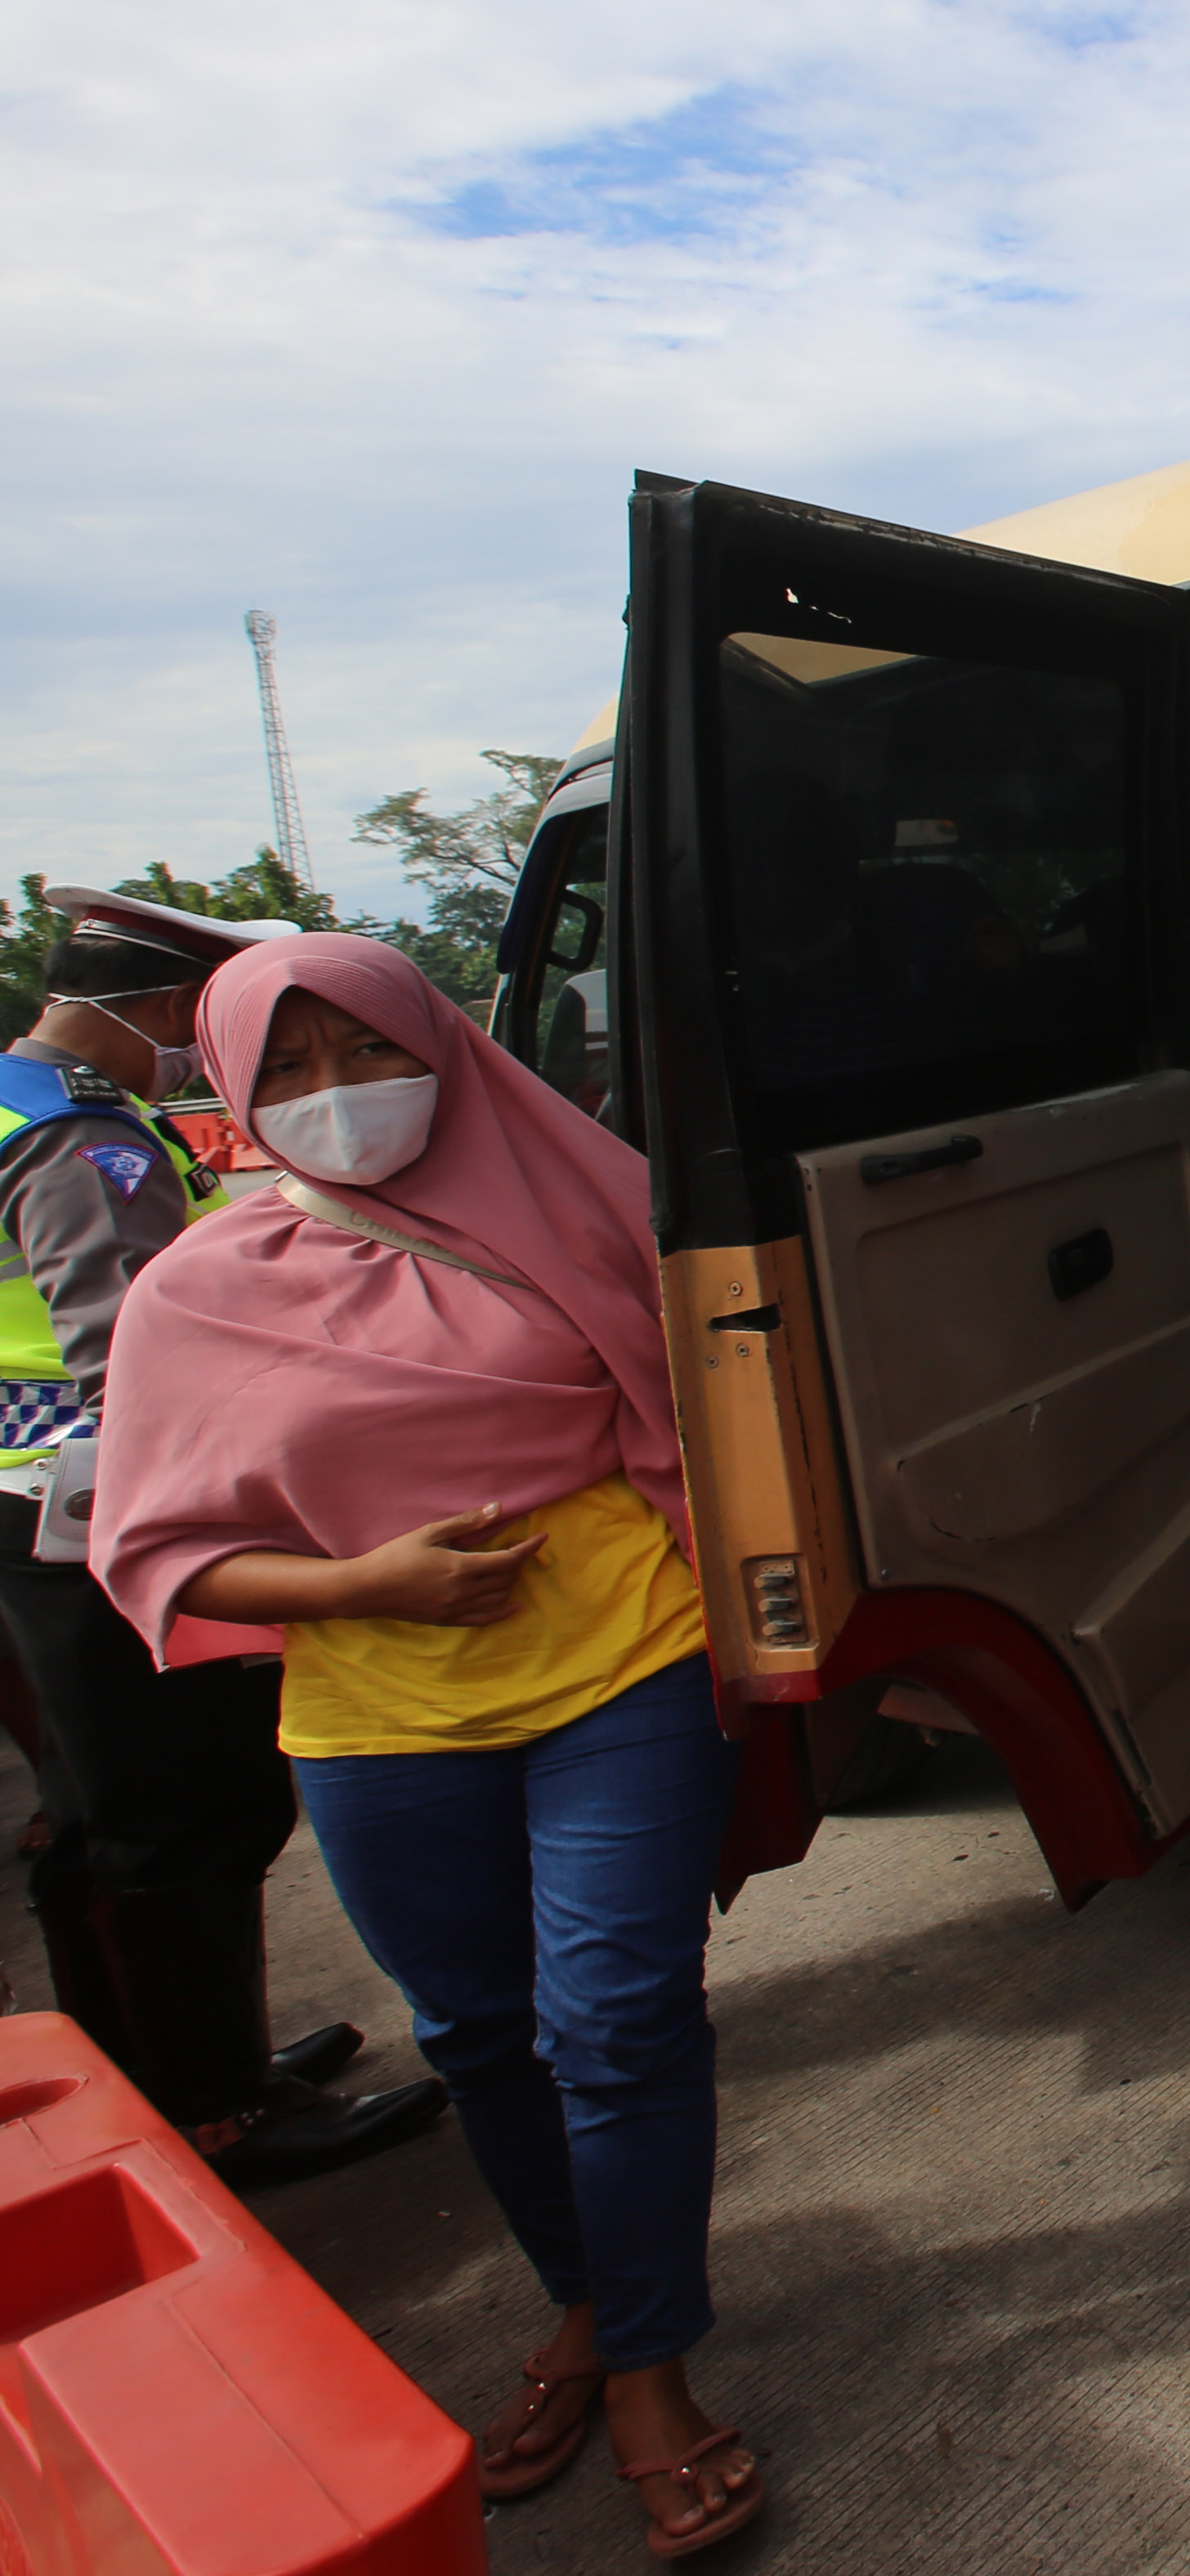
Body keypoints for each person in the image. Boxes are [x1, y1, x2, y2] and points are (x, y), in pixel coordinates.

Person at [88, 935, 766, 2560]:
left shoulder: (588, 1203)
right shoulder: (197, 1288)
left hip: (624, 1657)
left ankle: (653, 2368)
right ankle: (587, 2306)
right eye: (294, 1070)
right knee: (474, 2032)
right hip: (374, 1703)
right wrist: (361, 1584)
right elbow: (160, 1547)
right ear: (235, 1091)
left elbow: (720, 1411)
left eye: (362, 1052)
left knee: (617, 2018)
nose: (339, 1097)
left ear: (440, 1044)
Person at [0, 889, 441, 2180]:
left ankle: (138, 2075)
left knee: (96, 1812)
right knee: (191, 1804)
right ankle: (220, 2107)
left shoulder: (12, 1097)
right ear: (145, 1012)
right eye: (189, 1026)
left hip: (24, 1505)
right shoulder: (84, 1137)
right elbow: (128, 1346)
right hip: (102, 1513)